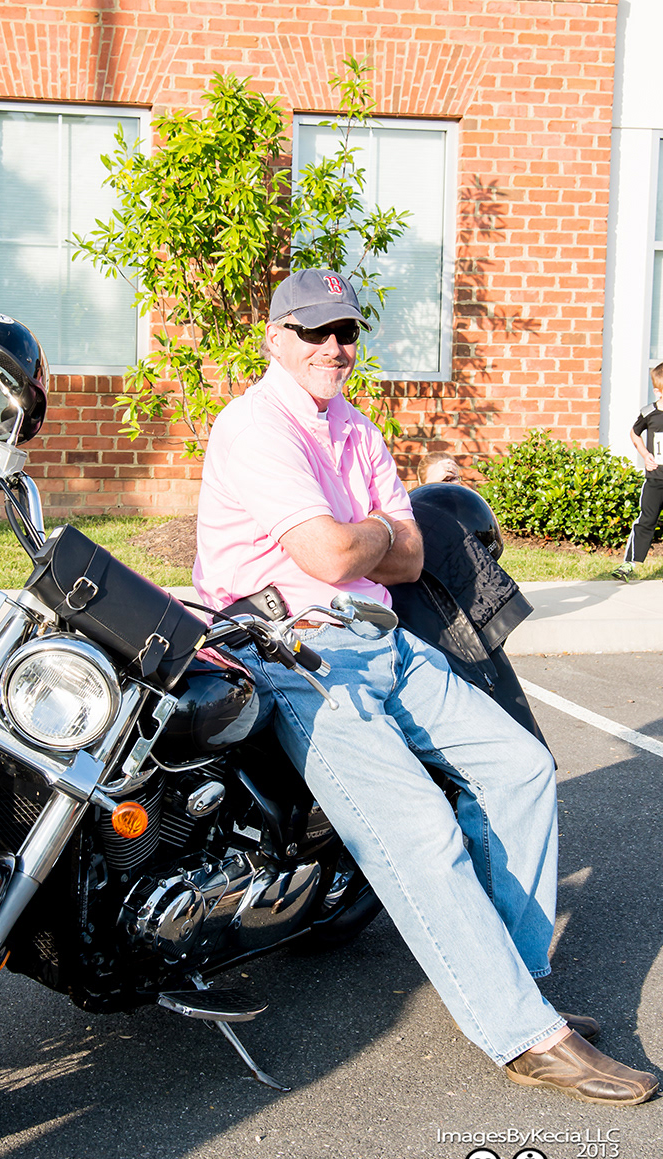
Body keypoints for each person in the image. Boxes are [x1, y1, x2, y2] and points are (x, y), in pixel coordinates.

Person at [193, 267, 658, 1105]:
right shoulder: (255, 427)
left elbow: (404, 557)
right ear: (275, 338)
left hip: (378, 639)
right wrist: (375, 533)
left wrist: (364, 537)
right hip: (289, 651)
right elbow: (332, 556)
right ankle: (525, 1037)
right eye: (314, 330)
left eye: (345, 331)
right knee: (418, 830)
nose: (334, 346)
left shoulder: (355, 428)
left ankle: (511, 983)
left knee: (520, 769)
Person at [613, 363, 663, 581]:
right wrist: (645, 455)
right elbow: (634, 434)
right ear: (658, 391)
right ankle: (629, 565)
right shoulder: (649, 413)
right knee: (646, 520)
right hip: (655, 479)